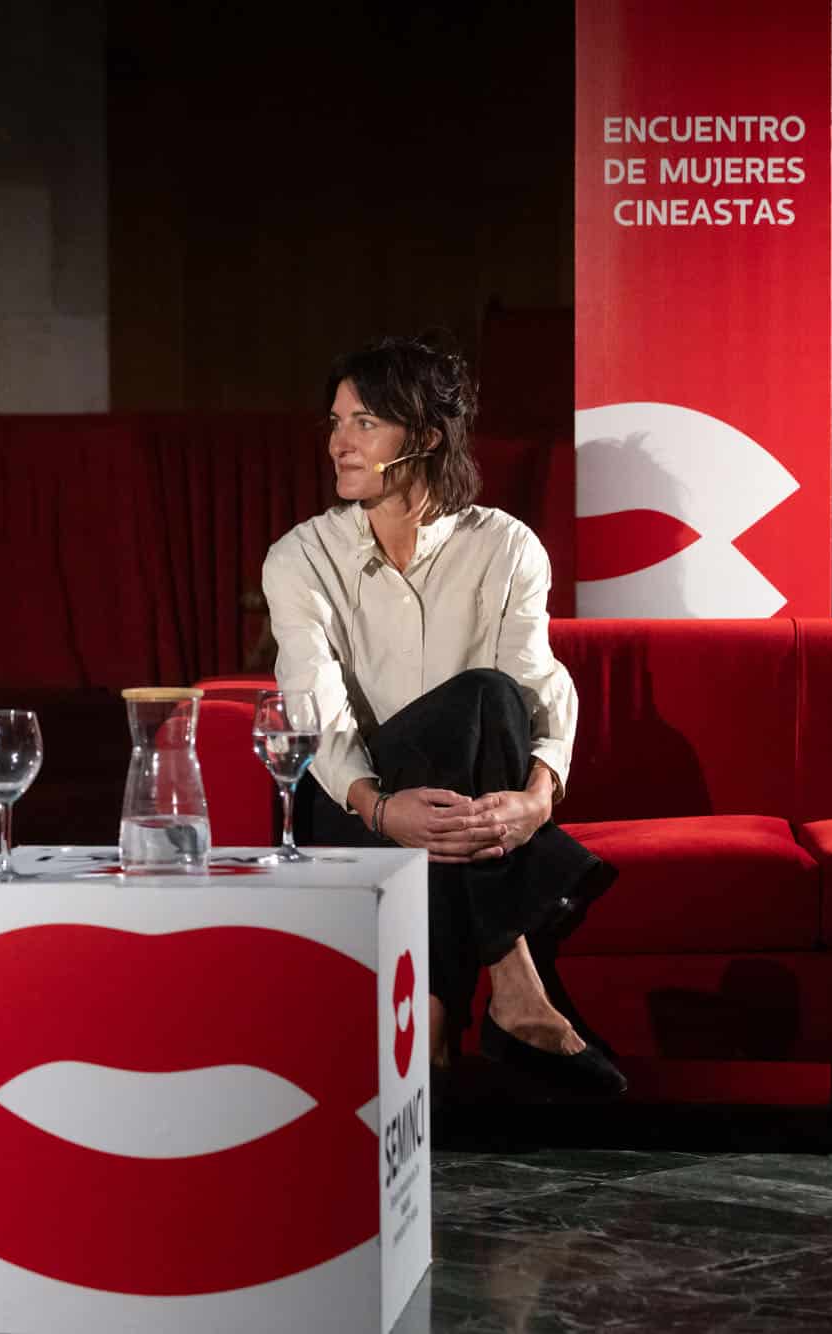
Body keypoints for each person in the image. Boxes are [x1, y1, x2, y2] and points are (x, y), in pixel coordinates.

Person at [263, 333, 624, 1096]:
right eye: (336, 423)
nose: (338, 444)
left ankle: (429, 1023)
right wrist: (379, 806)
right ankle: (513, 984)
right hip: (350, 804)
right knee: (480, 700)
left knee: (490, 696)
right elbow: (315, 709)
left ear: (425, 437)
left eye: (365, 424)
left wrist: (536, 799)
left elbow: (535, 682)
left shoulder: (505, 546)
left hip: (462, 797)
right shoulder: (300, 558)